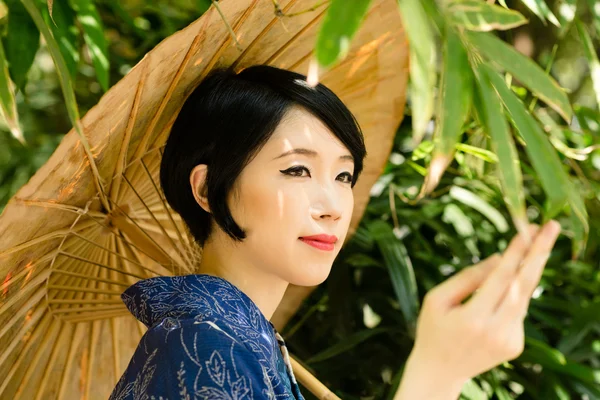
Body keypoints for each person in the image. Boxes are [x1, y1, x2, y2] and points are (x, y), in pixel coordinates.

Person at [108, 64, 562, 400]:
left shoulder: (237, 341)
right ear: (208, 188)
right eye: (298, 169)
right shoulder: (204, 347)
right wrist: (436, 374)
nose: (331, 207)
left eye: (344, 176)